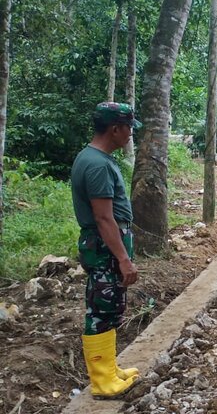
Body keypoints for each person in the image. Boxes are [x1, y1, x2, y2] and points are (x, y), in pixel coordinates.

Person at [71, 102, 142, 399]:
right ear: (115, 129)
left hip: (106, 245)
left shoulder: (96, 158)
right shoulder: (97, 164)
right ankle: (102, 382)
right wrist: (123, 259)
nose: (130, 135)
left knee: (110, 306)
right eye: (128, 129)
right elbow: (103, 217)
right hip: (104, 247)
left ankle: (110, 370)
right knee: (101, 309)